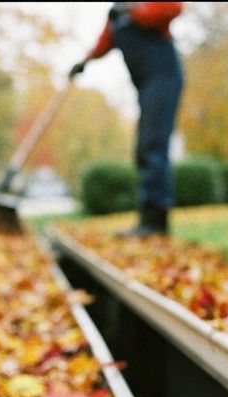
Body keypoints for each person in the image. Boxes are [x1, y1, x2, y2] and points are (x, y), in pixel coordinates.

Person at [70, 2, 184, 237]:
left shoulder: (138, 7)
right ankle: (148, 220)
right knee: (144, 148)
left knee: (153, 145)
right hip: (145, 86)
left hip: (164, 78)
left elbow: (173, 8)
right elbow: (103, 43)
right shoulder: (115, 18)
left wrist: (133, 10)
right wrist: (84, 61)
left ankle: (155, 223)